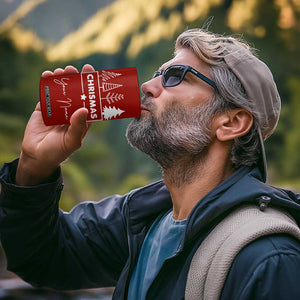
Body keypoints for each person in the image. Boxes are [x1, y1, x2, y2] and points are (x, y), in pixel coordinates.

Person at [1, 28, 300, 300]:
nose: (147, 86)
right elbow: (43, 257)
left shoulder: (269, 259)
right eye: (158, 74)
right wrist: (34, 167)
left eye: (176, 76)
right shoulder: (140, 220)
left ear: (231, 123)